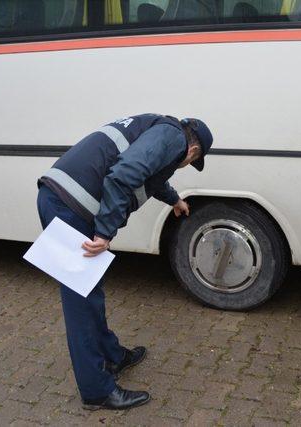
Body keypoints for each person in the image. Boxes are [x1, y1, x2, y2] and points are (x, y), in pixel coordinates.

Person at [36, 114, 213, 410]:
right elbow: (124, 175)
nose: (183, 164)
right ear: (193, 151)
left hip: (60, 198)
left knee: (91, 292)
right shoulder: (173, 138)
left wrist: (174, 199)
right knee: (80, 300)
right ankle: (96, 391)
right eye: (189, 162)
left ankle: (112, 356)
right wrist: (105, 232)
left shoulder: (159, 128)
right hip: (68, 207)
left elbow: (148, 172)